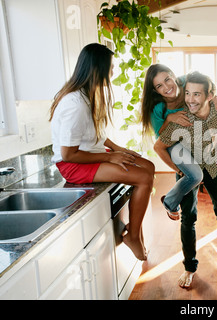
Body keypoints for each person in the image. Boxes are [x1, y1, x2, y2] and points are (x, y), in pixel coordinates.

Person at [49, 43, 155, 261]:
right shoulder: (74, 104)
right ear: (97, 68)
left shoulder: (88, 95)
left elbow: (95, 134)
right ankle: (133, 236)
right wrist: (109, 156)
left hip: (90, 154)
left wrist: (117, 148)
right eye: (111, 66)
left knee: (149, 166)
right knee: (143, 178)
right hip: (74, 165)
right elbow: (68, 154)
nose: (113, 71)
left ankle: (136, 233)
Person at [153, 71, 217, 288]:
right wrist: (178, 169)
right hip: (189, 171)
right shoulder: (179, 120)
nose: (190, 100)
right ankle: (189, 267)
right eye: (187, 94)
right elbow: (159, 147)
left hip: (213, 166)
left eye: (196, 94)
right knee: (188, 218)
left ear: (210, 95)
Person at [141, 64, 217, 221]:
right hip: (174, 142)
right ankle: (170, 202)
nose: (167, 87)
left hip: (198, 132)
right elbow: (162, 139)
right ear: (155, 90)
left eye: (167, 79)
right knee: (195, 176)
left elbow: (210, 93)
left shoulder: (186, 80)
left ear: (173, 75)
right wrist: (169, 118)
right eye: (159, 86)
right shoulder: (157, 107)